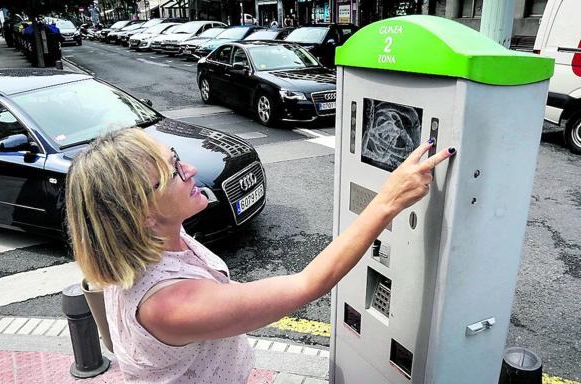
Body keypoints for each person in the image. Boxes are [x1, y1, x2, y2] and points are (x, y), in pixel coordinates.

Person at [65, 128, 455, 383]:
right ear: (143, 215)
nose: (191, 168)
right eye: (174, 173)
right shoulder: (168, 305)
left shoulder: (156, 239)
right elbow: (308, 284)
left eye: (175, 156)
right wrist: (388, 200)